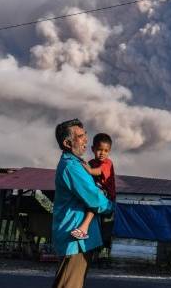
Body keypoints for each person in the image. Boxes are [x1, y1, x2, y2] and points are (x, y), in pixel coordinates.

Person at [51, 119, 113, 288]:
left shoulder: (76, 164)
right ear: (67, 143)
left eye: (85, 134)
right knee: (69, 285)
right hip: (75, 239)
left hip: (78, 238)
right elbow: (94, 199)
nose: (85, 139)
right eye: (80, 136)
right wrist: (111, 207)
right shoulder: (72, 167)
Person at [71, 133, 116, 250]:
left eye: (106, 151)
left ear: (109, 151)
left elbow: (97, 171)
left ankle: (84, 228)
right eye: (99, 150)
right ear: (93, 149)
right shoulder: (91, 162)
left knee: (94, 200)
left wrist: (89, 170)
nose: (102, 153)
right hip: (97, 192)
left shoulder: (107, 163)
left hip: (107, 196)